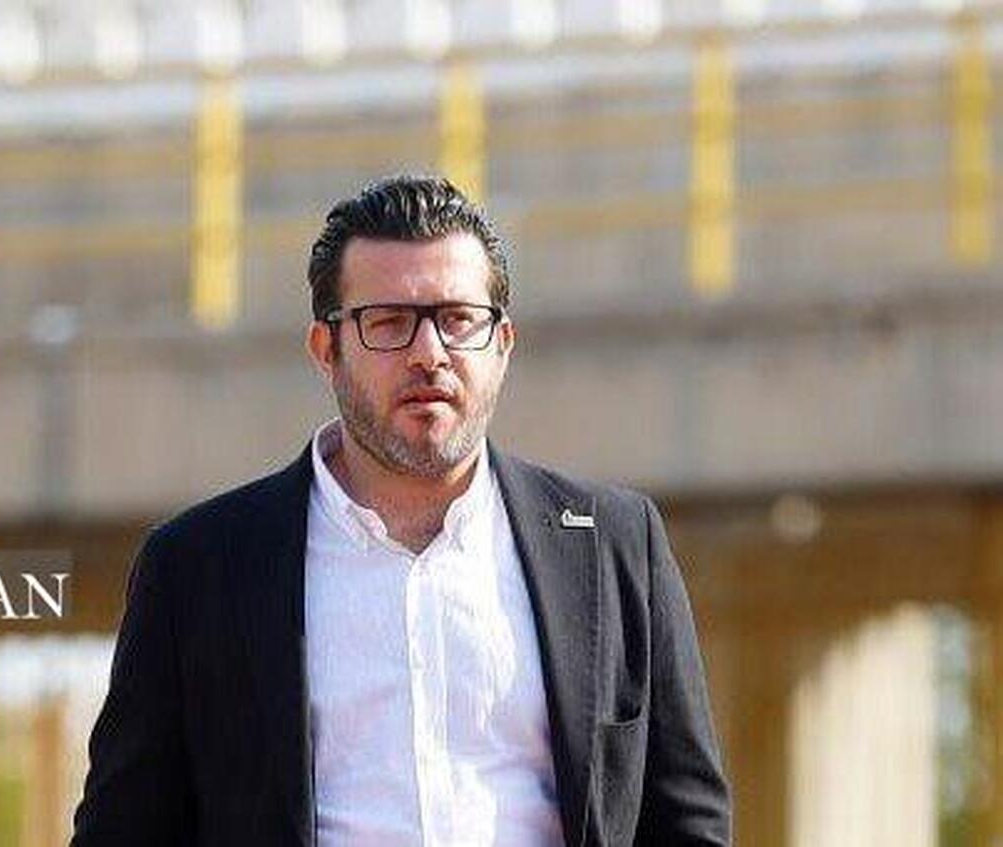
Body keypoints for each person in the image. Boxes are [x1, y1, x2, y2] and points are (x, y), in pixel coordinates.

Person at [71, 175, 731, 846]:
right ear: (326, 350)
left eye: (458, 319)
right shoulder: (197, 567)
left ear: (502, 343)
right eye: (389, 322)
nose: (429, 353)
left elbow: (687, 822)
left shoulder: (614, 546)